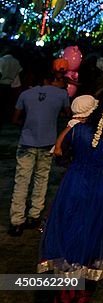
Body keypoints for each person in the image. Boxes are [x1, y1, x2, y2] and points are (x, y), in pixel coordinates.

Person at [38, 97, 103, 301]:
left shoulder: (77, 131)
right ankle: (82, 289)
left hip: (75, 184)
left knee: (70, 230)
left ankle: (66, 288)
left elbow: (59, 153)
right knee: (92, 233)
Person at [8, 71, 70, 236]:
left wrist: (26, 124)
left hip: (27, 141)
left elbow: (15, 119)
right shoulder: (61, 94)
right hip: (48, 142)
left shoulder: (25, 94)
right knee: (41, 179)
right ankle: (34, 216)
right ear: (50, 79)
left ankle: (16, 221)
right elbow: (67, 113)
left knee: (21, 181)